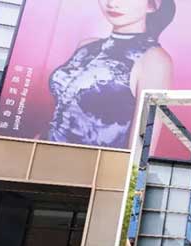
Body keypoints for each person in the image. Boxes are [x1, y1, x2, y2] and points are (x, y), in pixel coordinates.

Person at [48, 0, 175, 148]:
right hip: (40, 151)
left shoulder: (154, 60)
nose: (112, 3)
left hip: (92, 160)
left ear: (151, 5)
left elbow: (140, 150)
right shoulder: (86, 46)